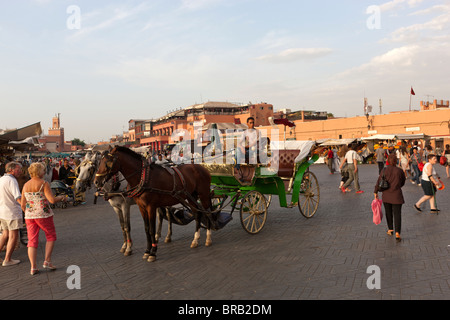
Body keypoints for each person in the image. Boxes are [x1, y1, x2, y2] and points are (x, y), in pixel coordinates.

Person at [21, 162, 66, 275]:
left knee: (32, 240)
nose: (45, 172)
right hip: (43, 214)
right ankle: (47, 261)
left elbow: (22, 204)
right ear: (39, 172)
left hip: (30, 215)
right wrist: (61, 197)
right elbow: (51, 200)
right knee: (50, 236)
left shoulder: (26, 185)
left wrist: (29, 212)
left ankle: (33, 267)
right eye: (43, 170)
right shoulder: (43, 183)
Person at [374, 153, 406, 241]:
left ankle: (390, 229)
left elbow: (379, 181)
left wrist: (375, 192)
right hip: (397, 195)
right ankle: (397, 233)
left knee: (388, 213)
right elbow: (403, 181)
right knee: (397, 214)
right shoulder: (399, 171)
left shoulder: (384, 170)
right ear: (396, 161)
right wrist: (397, 186)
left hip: (386, 195)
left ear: (387, 161)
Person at [0, 162, 23, 266]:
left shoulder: (2, 179)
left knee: (5, 234)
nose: (21, 172)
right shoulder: (12, 181)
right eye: (19, 169)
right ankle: (7, 259)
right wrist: (27, 207)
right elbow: (17, 197)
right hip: (12, 212)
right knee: (13, 236)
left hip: (3, 212)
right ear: (12, 170)